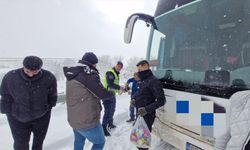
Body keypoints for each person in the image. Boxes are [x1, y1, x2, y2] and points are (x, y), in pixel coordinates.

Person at [0, 56, 57, 150]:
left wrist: (48, 107)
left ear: (40, 69)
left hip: (41, 117)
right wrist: (8, 113)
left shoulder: (48, 77)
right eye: (27, 71)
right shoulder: (11, 77)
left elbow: (52, 95)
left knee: (38, 144)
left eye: (35, 72)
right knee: (20, 145)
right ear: (23, 66)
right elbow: (5, 95)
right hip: (17, 118)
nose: (31, 74)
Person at [63, 52, 114, 150]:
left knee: (79, 141)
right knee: (100, 142)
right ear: (92, 64)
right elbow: (102, 94)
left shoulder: (73, 74)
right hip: (86, 120)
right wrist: (112, 92)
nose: (96, 66)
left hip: (74, 118)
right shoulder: (87, 75)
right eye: (95, 64)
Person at [132, 60, 166, 150]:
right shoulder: (143, 80)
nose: (138, 72)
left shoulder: (154, 81)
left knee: (142, 144)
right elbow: (141, 93)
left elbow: (161, 100)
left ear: (145, 68)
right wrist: (134, 99)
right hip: (140, 114)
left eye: (139, 70)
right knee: (139, 141)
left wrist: (146, 109)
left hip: (147, 116)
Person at [102, 61, 124, 136]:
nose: (119, 68)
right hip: (106, 94)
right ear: (116, 65)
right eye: (118, 66)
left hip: (112, 94)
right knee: (108, 111)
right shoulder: (110, 72)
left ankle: (110, 124)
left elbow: (115, 85)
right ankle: (104, 128)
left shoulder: (117, 74)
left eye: (120, 67)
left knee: (112, 110)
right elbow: (110, 84)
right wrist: (120, 87)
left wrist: (119, 91)